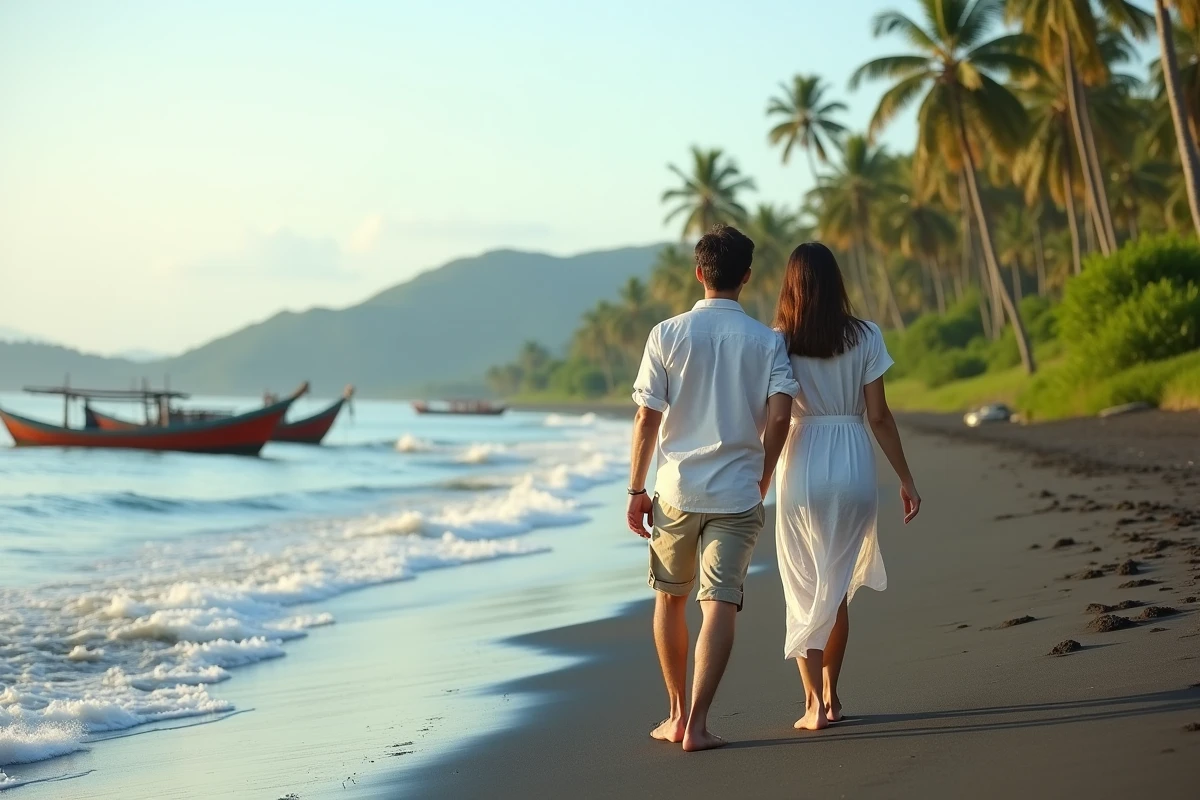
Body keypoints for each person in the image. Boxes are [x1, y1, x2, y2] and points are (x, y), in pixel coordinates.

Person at [626, 224, 798, 752]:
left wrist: (636, 489)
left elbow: (647, 419)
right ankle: (698, 725)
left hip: (676, 490)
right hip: (739, 493)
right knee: (719, 603)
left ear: (699, 272)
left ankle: (675, 715)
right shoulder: (768, 342)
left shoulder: (667, 333)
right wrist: (763, 475)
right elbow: (781, 417)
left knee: (670, 597)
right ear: (747, 277)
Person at [769, 241, 920, 731]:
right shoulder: (866, 335)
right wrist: (905, 478)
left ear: (791, 285)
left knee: (802, 583)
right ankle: (833, 697)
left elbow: (773, 418)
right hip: (854, 461)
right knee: (835, 589)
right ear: (837, 282)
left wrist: (758, 474)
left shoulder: (779, 341)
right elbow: (878, 416)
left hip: (803, 461)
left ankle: (812, 704)